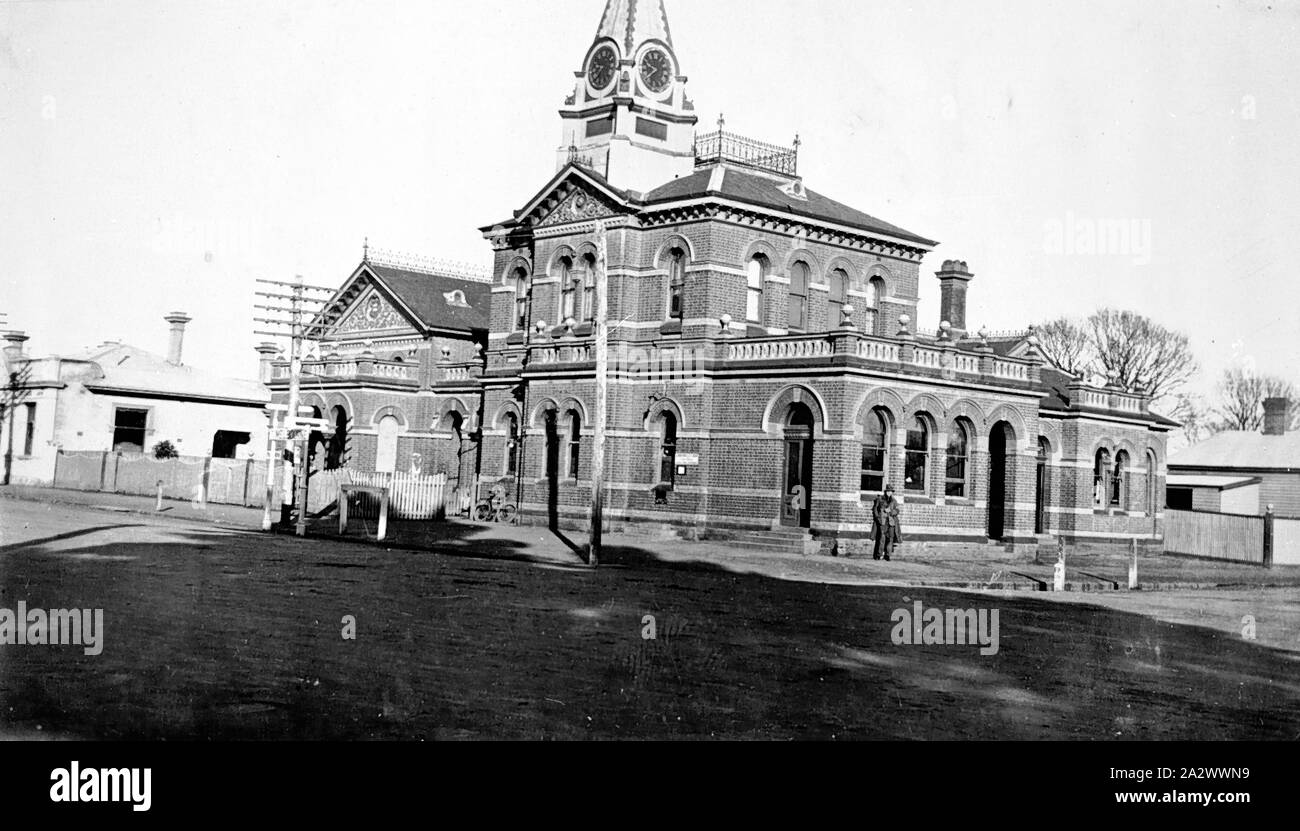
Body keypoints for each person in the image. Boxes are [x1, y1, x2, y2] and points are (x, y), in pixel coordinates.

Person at [871, 484, 903, 561]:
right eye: (888, 491)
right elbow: (875, 509)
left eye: (891, 491)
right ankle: (879, 554)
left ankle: (887, 555)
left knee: (890, 539)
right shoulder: (880, 499)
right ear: (885, 492)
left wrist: (891, 511)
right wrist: (878, 518)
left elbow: (897, 510)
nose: (889, 493)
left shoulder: (894, 501)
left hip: (891, 522)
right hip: (883, 522)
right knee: (882, 538)